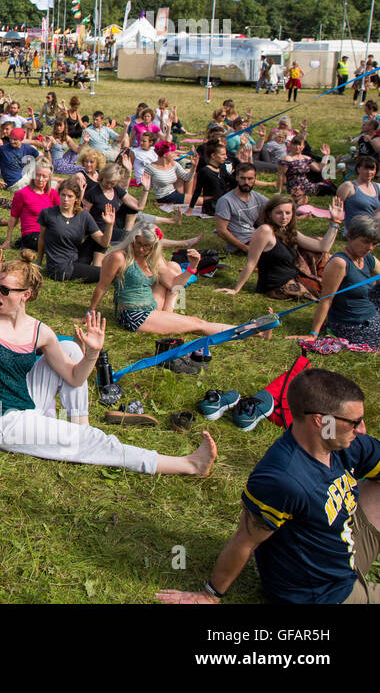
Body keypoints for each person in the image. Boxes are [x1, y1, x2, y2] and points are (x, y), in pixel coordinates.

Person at [0, 254, 217, 477]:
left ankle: (79, 430)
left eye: (4, 290)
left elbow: (74, 378)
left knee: (68, 347)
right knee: (97, 442)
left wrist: (92, 353)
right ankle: (188, 465)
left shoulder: (41, 331)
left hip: (27, 406)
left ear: (25, 295)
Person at [157, 368, 379, 605]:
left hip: (344, 549)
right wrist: (210, 595)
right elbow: (245, 540)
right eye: (354, 423)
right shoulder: (282, 479)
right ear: (321, 422)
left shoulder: (348, 445)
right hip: (324, 593)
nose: (362, 430)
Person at [90, 225, 232, 336]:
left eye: (146, 246)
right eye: (137, 243)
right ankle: (243, 330)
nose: (140, 249)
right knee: (198, 324)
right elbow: (102, 286)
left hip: (151, 308)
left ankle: (171, 316)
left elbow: (175, 285)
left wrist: (193, 266)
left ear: (154, 246)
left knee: (173, 267)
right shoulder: (120, 257)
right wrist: (90, 312)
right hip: (134, 315)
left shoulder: (153, 260)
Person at [216, 195, 343, 299]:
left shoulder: (287, 231)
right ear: (269, 213)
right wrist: (235, 289)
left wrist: (335, 222)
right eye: (279, 213)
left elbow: (323, 247)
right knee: (327, 293)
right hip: (277, 286)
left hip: (294, 277)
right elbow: (251, 262)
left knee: (328, 274)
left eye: (288, 213)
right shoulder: (265, 231)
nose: (284, 217)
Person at [300, 213, 380, 345]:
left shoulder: (366, 258)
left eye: (374, 244)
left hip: (369, 315)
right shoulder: (340, 263)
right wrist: (314, 334)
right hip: (351, 324)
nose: (370, 248)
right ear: (350, 236)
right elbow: (326, 299)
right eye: (365, 242)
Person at [37, 177, 113, 282]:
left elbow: (104, 243)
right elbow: (41, 239)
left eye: (70, 196)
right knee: (108, 272)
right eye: (63, 195)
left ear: (77, 198)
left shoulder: (83, 216)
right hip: (60, 268)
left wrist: (109, 225)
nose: (65, 199)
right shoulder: (47, 213)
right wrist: (39, 262)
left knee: (94, 240)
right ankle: (100, 271)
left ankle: (97, 267)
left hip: (75, 260)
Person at [215, 163, 269, 255]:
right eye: (243, 178)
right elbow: (221, 231)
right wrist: (245, 248)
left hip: (256, 237)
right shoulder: (226, 201)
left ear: (255, 179)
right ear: (237, 178)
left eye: (250, 178)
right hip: (242, 244)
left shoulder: (257, 197)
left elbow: (276, 206)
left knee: (289, 238)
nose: (246, 182)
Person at [6, 162, 58, 251]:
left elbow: (62, 214)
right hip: (32, 233)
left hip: (50, 232)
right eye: (38, 175)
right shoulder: (22, 194)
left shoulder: (53, 193)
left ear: (49, 178)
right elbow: (13, 217)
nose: (40, 179)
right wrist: (8, 241)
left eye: (44, 176)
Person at [337, 156, 380, 223]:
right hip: (354, 231)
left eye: (372, 169)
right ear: (358, 169)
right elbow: (336, 210)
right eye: (365, 168)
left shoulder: (378, 187)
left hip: (374, 230)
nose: (369, 172)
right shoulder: (348, 186)